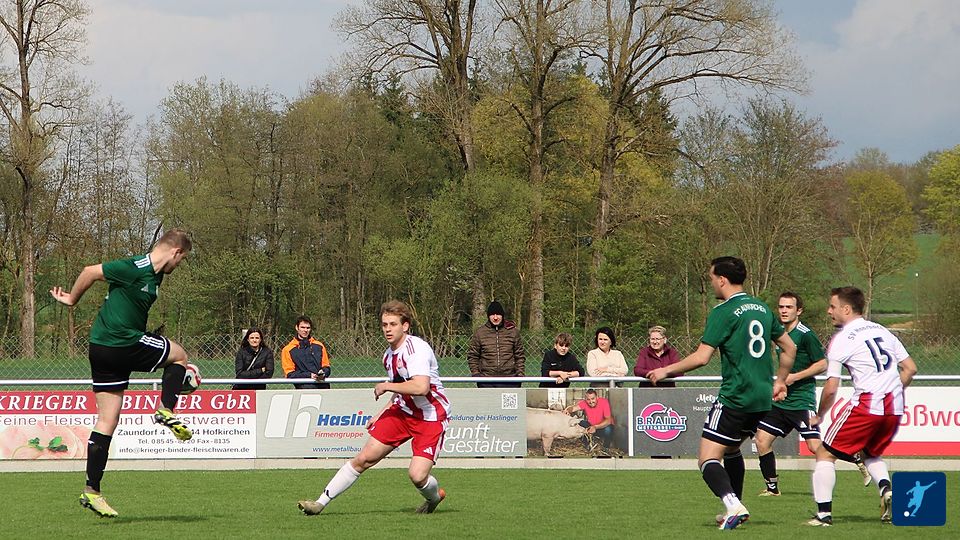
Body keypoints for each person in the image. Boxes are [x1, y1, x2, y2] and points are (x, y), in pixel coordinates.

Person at [49, 228, 194, 518]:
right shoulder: (133, 267)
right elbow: (90, 271)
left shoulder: (156, 276)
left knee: (107, 420)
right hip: (121, 341)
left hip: (101, 347)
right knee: (179, 356)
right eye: (182, 259)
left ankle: (92, 491)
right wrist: (72, 299)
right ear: (176, 251)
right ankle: (166, 409)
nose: (179, 265)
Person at [647, 256, 796, 530]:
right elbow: (790, 348)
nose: (712, 283)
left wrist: (665, 370)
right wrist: (781, 381)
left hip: (735, 396)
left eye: (712, 278)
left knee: (706, 459)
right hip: (762, 398)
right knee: (732, 449)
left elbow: (702, 357)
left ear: (722, 280)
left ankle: (733, 504)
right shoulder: (762, 309)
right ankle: (734, 507)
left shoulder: (723, 311)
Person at [298, 300, 450, 516]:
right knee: (364, 459)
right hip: (403, 412)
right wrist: (381, 414)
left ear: (405, 326)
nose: (388, 329)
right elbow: (402, 388)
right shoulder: (388, 355)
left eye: (393, 324)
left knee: (417, 476)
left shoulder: (416, 349)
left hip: (431, 416)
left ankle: (434, 498)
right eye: (384, 324)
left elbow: (420, 387)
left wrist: (386, 386)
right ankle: (319, 503)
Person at [806, 286, 917, 527]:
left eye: (833, 307)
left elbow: (831, 388)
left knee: (824, 453)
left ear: (846, 309)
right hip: (894, 408)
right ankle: (886, 488)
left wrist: (820, 415)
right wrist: (893, 390)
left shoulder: (842, 339)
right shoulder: (883, 331)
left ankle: (823, 516)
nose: (829, 311)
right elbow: (910, 368)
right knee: (870, 453)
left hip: (867, 405)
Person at [756, 292, 871, 496]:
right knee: (762, 440)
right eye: (781, 307)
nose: (784, 311)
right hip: (781, 401)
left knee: (814, 447)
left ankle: (854, 456)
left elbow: (822, 364)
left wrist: (795, 377)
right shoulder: (779, 334)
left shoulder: (805, 334)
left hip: (801, 401)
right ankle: (772, 488)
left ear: (799, 311)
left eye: (789, 307)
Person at [467, 300, 526, 388]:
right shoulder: (480, 333)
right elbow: (473, 356)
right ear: (488, 316)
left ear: (502, 316)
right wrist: (476, 374)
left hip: (511, 379)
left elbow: (519, 355)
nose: (495, 318)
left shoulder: (513, 332)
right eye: (492, 315)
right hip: (486, 380)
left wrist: (520, 375)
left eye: (498, 314)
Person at [281, 316, 331, 389]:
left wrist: (323, 373)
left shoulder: (319, 345)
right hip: (304, 388)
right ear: (297, 328)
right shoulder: (288, 350)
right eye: (302, 327)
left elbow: (326, 366)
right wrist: (309, 375)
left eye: (308, 328)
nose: (305, 330)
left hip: (323, 386)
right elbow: (290, 374)